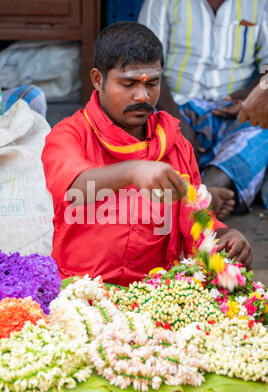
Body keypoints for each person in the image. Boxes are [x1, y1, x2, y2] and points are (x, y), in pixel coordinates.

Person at [41, 22, 252, 287]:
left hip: (156, 292)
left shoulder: (174, 143)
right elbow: (72, 187)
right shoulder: (70, 134)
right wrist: (133, 171)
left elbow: (193, 215)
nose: (143, 96)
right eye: (128, 84)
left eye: (153, 83)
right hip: (78, 291)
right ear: (98, 80)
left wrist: (224, 235)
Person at [138, 0, 268, 219]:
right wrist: (176, 120)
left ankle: (201, 196)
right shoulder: (162, 3)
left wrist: (250, 95)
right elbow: (146, 64)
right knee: (152, 135)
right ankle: (206, 199)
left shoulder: (259, 4)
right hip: (173, 105)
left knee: (261, 128)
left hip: (236, 112)